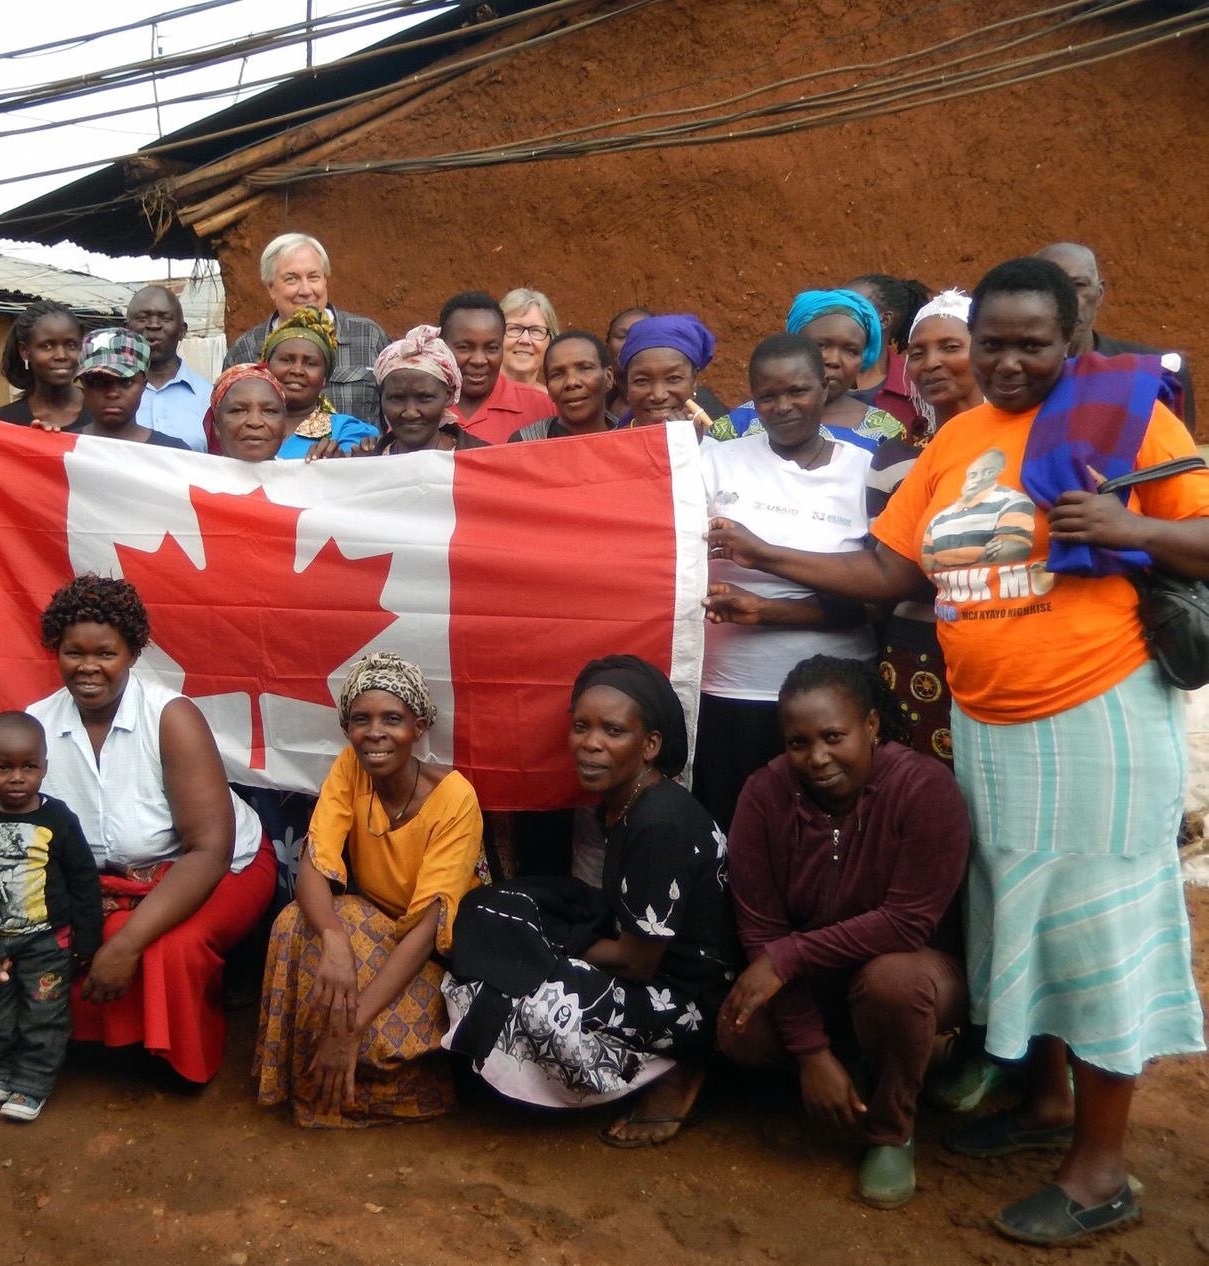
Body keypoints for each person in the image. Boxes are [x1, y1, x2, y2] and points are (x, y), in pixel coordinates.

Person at [706, 256, 1209, 1246]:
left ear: (1072, 341)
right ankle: (1046, 1106)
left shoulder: (1125, 418)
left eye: (1031, 342)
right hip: (987, 719)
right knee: (1020, 914)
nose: (1009, 360)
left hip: (1093, 710)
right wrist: (761, 553)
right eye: (993, 343)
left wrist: (1121, 527)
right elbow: (887, 566)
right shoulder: (959, 440)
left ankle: (1100, 1169)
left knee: (1096, 929)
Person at [443, 656, 738, 1146]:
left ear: (650, 745)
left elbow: (637, 962)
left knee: (517, 987)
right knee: (492, 918)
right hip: (650, 965)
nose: (591, 743)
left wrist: (549, 945)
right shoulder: (630, 803)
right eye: (581, 726)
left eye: (613, 731)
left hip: (687, 1001)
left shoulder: (659, 822)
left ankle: (674, 1071)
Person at [719, 656, 969, 1209]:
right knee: (740, 1031)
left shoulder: (924, 789)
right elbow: (762, 928)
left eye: (834, 736)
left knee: (893, 985)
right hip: (820, 980)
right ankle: (853, 1062)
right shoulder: (764, 796)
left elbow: (908, 922)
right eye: (798, 742)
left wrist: (789, 957)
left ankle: (890, 1129)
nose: (817, 757)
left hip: (916, 968)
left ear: (873, 727)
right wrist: (810, 1052)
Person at [13, 575, 275, 1084]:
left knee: (167, 948)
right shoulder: (37, 725)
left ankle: (184, 1060)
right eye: (73, 652)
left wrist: (127, 945)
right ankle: (115, 1044)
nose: (88, 667)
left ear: (133, 653)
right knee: (82, 934)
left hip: (220, 866)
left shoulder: (170, 718)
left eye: (106, 653)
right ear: (56, 652)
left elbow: (210, 849)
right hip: (115, 878)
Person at [254, 654, 485, 1127]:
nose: (375, 733)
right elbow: (314, 863)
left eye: (392, 719)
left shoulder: (456, 798)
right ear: (346, 728)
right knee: (302, 922)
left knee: (361, 1019)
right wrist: (336, 942)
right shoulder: (351, 768)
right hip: (376, 928)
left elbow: (427, 929)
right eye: (362, 719)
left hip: (439, 958)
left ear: (418, 727)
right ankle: (306, 1085)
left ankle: (391, 1088)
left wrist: (352, 1027)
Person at [696, 334, 875, 832]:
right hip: (732, 691)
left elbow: (880, 594)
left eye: (798, 391)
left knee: (831, 834)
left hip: (837, 700)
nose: (782, 407)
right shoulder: (716, 462)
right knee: (737, 832)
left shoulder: (865, 472)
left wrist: (768, 605)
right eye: (767, 396)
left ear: (826, 387)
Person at [0, 712, 102, 1124]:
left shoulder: (58, 819)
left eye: (28, 766)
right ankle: (3, 1071)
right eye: (3, 768)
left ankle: (33, 1084)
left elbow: (84, 878)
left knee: (44, 1014)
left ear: (44, 768)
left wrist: (88, 939)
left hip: (46, 943)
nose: (17, 777)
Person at [868, 289, 982, 764]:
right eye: (918, 352)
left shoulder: (1025, 442)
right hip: (914, 652)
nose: (932, 362)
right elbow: (886, 574)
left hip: (1003, 645)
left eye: (951, 347)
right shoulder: (894, 456)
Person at [712, 291, 906, 451]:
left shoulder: (884, 431)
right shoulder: (744, 421)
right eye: (820, 345)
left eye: (851, 350)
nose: (833, 360)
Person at [225, 233, 389, 422]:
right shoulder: (245, 350)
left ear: (325, 280)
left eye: (313, 277)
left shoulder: (368, 337)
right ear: (270, 287)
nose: (305, 290)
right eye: (291, 279)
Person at [1036, 241, 1195, 428]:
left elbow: (1181, 454)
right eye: (1051, 287)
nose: (1067, 301)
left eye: (1078, 285)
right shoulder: (1014, 377)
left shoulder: (1157, 373)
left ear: (1099, 294)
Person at [259, 306, 380, 458]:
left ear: (324, 378)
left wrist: (340, 462)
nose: (297, 370)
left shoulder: (346, 431)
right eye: (286, 360)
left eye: (311, 363)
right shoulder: (246, 423)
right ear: (266, 368)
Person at [441, 291, 553, 443]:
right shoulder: (417, 404)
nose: (479, 360)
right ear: (441, 346)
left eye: (491, 348)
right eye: (464, 347)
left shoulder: (543, 407)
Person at [370, 325, 486, 454]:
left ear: (449, 395)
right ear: (382, 397)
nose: (410, 413)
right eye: (396, 398)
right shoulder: (364, 466)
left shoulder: (484, 461)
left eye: (425, 398)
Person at [125, 284, 211, 451]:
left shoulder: (210, 398)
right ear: (127, 328)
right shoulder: (107, 396)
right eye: (143, 318)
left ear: (182, 330)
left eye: (165, 318)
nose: (154, 325)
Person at [73, 328, 190, 448]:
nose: (112, 394)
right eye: (98, 381)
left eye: (126, 382)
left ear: (143, 385)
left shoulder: (174, 453)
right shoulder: (63, 447)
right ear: (83, 385)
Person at [608, 307, 728, 420]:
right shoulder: (611, 441)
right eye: (641, 380)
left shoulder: (721, 440)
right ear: (628, 385)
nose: (658, 395)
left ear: (694, 380)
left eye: (673, 378)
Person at [846, 274, 932, 431]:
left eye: (851, 308)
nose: (838, 314)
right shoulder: (817, 377)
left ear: (884, 320)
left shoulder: (917, 390)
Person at [0, 300, 89, 430]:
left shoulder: (104, 413)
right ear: (25, 351)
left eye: (71, 345)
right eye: (47, 346)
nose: (61, 355)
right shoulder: (3, 422)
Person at [509, 331, 621, 442]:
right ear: (548, 388)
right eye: (557, 374)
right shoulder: (525, 444)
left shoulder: (631, 438)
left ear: (609, 377)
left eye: (584, 368)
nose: (571, 382)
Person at [499, 288, 559, 388]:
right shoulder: (469, 395)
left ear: (551, 342)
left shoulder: (553, 402)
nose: (525, 340)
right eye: (515, 328)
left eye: (536, 331)